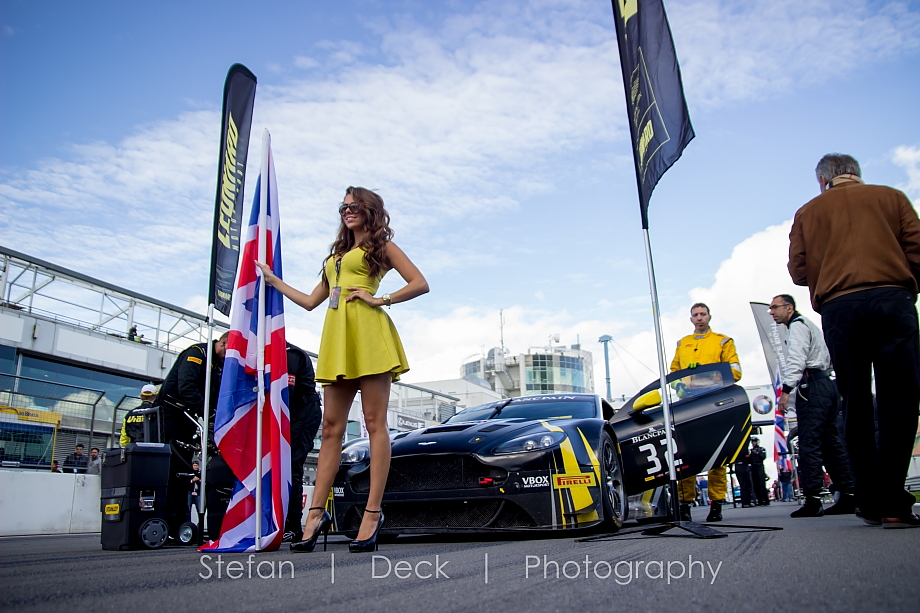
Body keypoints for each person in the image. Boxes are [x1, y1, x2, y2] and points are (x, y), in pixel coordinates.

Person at [258, 186, 428, 552]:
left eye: (355, 206)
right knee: (331, 427)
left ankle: (372, 513)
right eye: (344, 206)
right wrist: (273, 281)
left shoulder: (380, 248)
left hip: (369, 336)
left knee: (373, 423)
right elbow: (309, 302)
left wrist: (380, 297)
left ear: (370, 210)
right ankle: (315, 515)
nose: (348, 210)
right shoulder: (336, 255)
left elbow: (420, 283)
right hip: (337, 341)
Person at [789, 153, 920, 529]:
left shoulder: (808, 212)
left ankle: (867, 498)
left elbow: (798, 270)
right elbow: (917, 248)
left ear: (823, 180)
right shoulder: (891, 197)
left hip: (840, 307)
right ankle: (895, 503)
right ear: (856, 175)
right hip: (890, 298)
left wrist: (830, 271)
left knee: (855, 401)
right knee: (900, 401)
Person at [770, 294, 856, 517]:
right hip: (826, 384)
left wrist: (786, 390)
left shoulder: (797, 327)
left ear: (789, 308)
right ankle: (848, 494)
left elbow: (796, 359)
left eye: (775, 307)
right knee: (830, 443)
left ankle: (813, 499)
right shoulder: (809, 324)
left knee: (809, 443)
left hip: (812, 387)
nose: (771, 312)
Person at [670, 302, 742, 522]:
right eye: (695, 315)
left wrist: (710, 377)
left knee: (718, 455)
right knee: (686, 456)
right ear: (691, 319)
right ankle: (684, 505)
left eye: (703, 314)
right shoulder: (682, 344)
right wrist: (679, 385)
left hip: (715, 403)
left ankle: (716, 504)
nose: (699, 317)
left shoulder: (723, 341)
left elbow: (736, 372)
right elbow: (673, 372)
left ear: (709, 316)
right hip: (688, 405)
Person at [157, 333, 227, 536]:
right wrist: (209, 413)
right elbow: (186, 387)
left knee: (182, 471)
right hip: (169, 416)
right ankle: (167, 520)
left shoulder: (219, 366)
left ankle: (177, 522)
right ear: (222, 343)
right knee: (170, 468)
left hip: (187, 419)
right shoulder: (197, 354)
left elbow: (214, 394)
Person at [282, 342, 323, 543]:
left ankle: (292, 526)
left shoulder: (291, 354)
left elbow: (286, 394)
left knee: (292, 466)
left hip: (303, 413)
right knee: (285, 467)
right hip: (295, 412)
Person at [749, 437, 770, 506]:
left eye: (754, 441)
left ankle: (766, 500)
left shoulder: (761, 449)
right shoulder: (751, 450)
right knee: (755, 485)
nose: (753, 443)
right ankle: (760, 500)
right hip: (753, 467)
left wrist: (757, 453)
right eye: (752, 442)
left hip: (759, 466)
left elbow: (763, 457)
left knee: (761, 484)